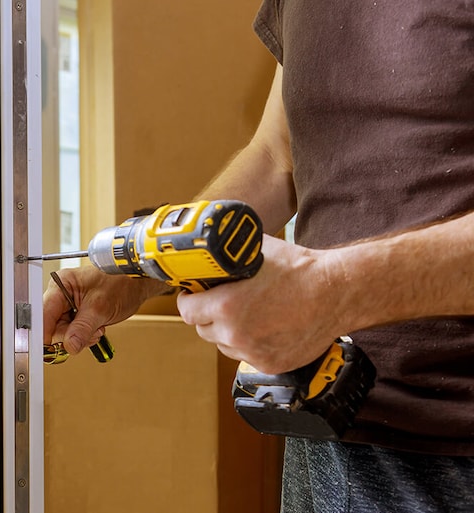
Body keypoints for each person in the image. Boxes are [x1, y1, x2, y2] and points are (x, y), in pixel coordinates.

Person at [42, 2, 474, 511]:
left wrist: (332, 290)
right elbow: (275, 158)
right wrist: (140, 267)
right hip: (323, 413)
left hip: (456, 445)